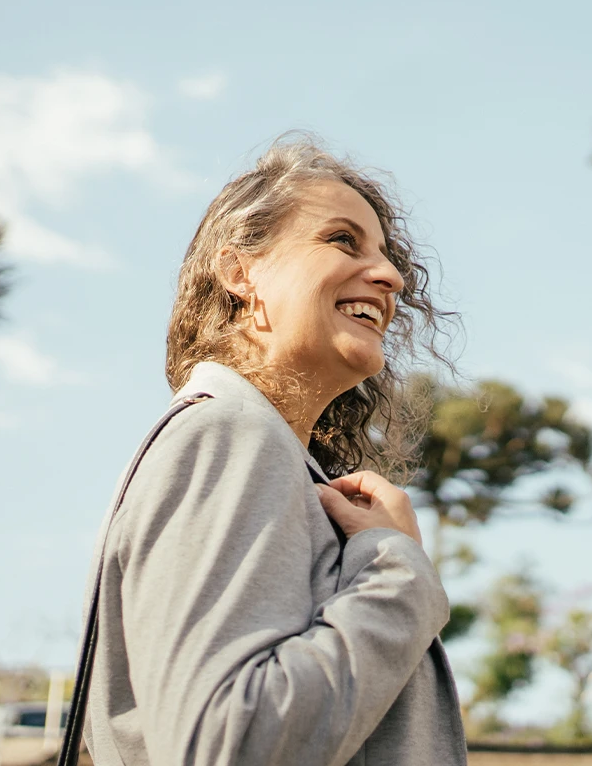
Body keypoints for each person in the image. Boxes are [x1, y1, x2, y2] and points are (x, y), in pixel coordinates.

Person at [78, 136, 467, 765]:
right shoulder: (228, 434)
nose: (391, 276)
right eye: (343, 240)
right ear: (240, 272)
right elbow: (228, 745)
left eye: (387, 256)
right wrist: (398, 572)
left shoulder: (268, 457)